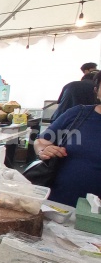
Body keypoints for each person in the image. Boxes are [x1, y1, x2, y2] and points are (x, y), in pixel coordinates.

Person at [34, 72, 101, 207]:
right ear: (96, 91)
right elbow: (41, 141)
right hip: (57, 205)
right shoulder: (78, 114)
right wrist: (44, 150)